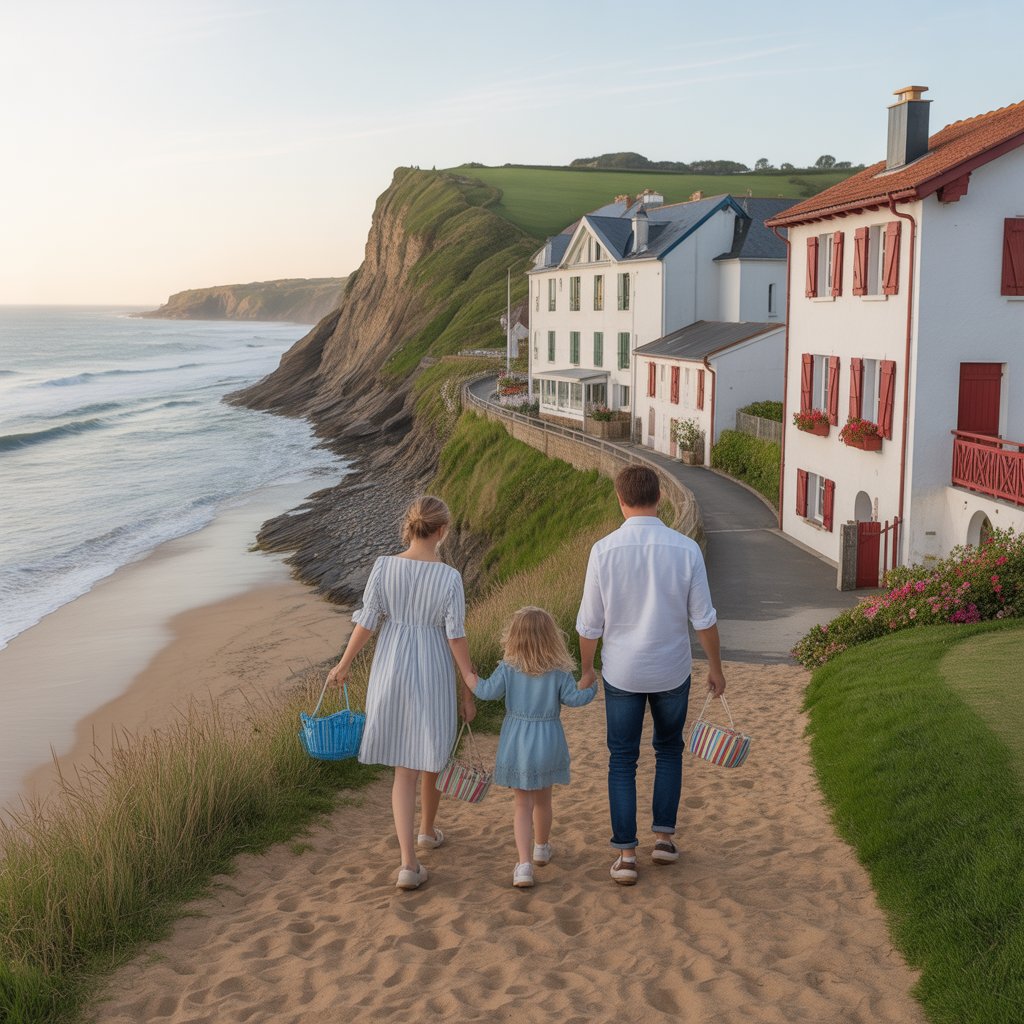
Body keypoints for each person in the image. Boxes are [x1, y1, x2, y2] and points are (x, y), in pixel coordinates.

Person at [576, 465, 726, 886]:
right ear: (659, 497)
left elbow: (590, 625)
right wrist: (715, 667)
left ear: (620, 500)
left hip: (622, 671)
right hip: (671, 669)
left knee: (622, 760)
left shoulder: (603, 550)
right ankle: (663, 839)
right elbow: (704, 619)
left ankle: (626, 855)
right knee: (669, 751)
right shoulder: (685, 549)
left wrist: (588, 669)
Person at [326, 495, 476, 892]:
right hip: (433, 667)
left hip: (391, 665)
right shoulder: (449, 577)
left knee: (403, 772)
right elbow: (456, 636)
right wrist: (469, 686)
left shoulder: (384, 566)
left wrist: (344, 665)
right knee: (433, 752)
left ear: (411, 527)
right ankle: (423, 838)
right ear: (442, 531)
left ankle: (412, 859)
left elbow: (367, 622)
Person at [467, 607, 596, 889]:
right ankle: (541, 846)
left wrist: (469, 677)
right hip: (548, 740)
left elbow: (487, 691)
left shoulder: (508, 669)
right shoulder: (558, 674)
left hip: (517, 741)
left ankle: (524, 864)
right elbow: (576, 699)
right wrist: (591, 684)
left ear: (514, 638)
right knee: (543, 800)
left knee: (521, 804)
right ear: (552, 638)